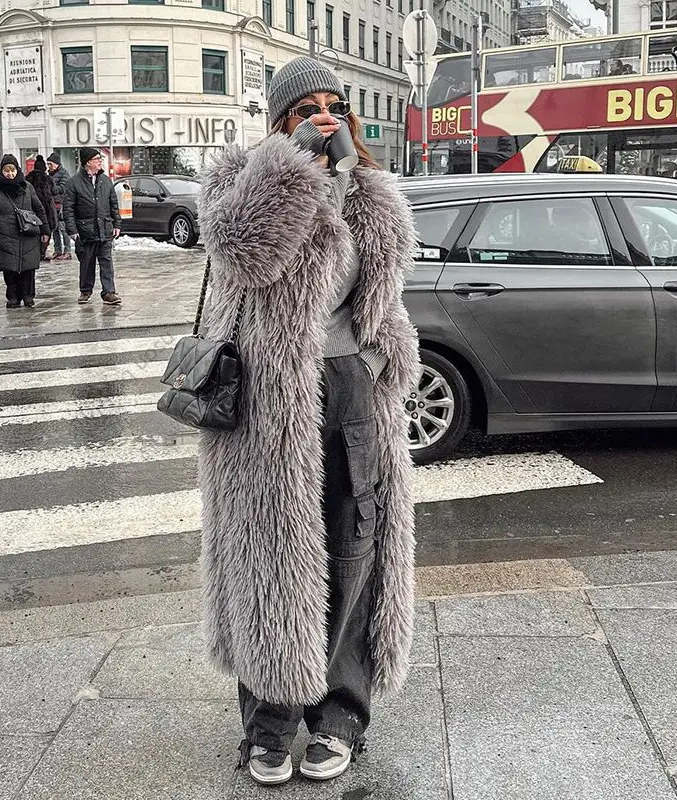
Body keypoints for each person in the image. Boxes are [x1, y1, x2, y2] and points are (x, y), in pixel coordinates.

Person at [195, 56, 420, 787]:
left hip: (353, 393)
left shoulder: (372, 197)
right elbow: (245, 254)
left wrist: (392, 361)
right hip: (266, 407)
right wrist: (302, 173)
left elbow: (381, 305)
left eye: (335, 104)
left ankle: (339, 716)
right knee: (270, 562)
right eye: (305, 108)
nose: (325, 115)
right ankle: (266, 725)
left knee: (353, 553)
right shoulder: (243, 184)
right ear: (278, 122)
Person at [0, 154, 50, 308]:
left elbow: (39, 208)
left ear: (17, 170)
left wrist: (45, 230)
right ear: (2, 171)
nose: (10, 174)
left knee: (28, 268)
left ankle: (28, 296)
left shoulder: (27, 186)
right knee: (9, 268)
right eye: (7, 170)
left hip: (27, 233)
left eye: (12, 170)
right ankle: (13, 297)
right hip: (4, 233)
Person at [62, 147, 121, 305]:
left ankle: (109, 292)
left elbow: (113, 204)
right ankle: (85, 290)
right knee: (87, 262)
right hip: (85, 230)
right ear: (88, 162)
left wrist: (117, 223)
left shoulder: (105, 180)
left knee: (106, 261)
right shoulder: (73, 183)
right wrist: (72, 230)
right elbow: (68, 209)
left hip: (105, 228)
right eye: (97, 159)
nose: (100, 161)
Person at [25, 155, 58, 262]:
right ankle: (42, 252)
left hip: (32, 209)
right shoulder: (47, 179)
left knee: (34, 231)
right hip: (47, 209)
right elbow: (53, 191)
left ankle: (35, 252)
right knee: (46, 231)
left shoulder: (28, 179)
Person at [46, 152, 71, 260]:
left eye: (50, 164)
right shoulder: (49, 175)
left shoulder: (64, 174)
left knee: (63, 229)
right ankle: (58, 250)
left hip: (61, 205)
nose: (49, 167)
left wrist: (52, 189)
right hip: (52, 205)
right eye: (48, 164)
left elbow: (63, 188)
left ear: (57, 164)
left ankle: (67, 251)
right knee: (55, 229)